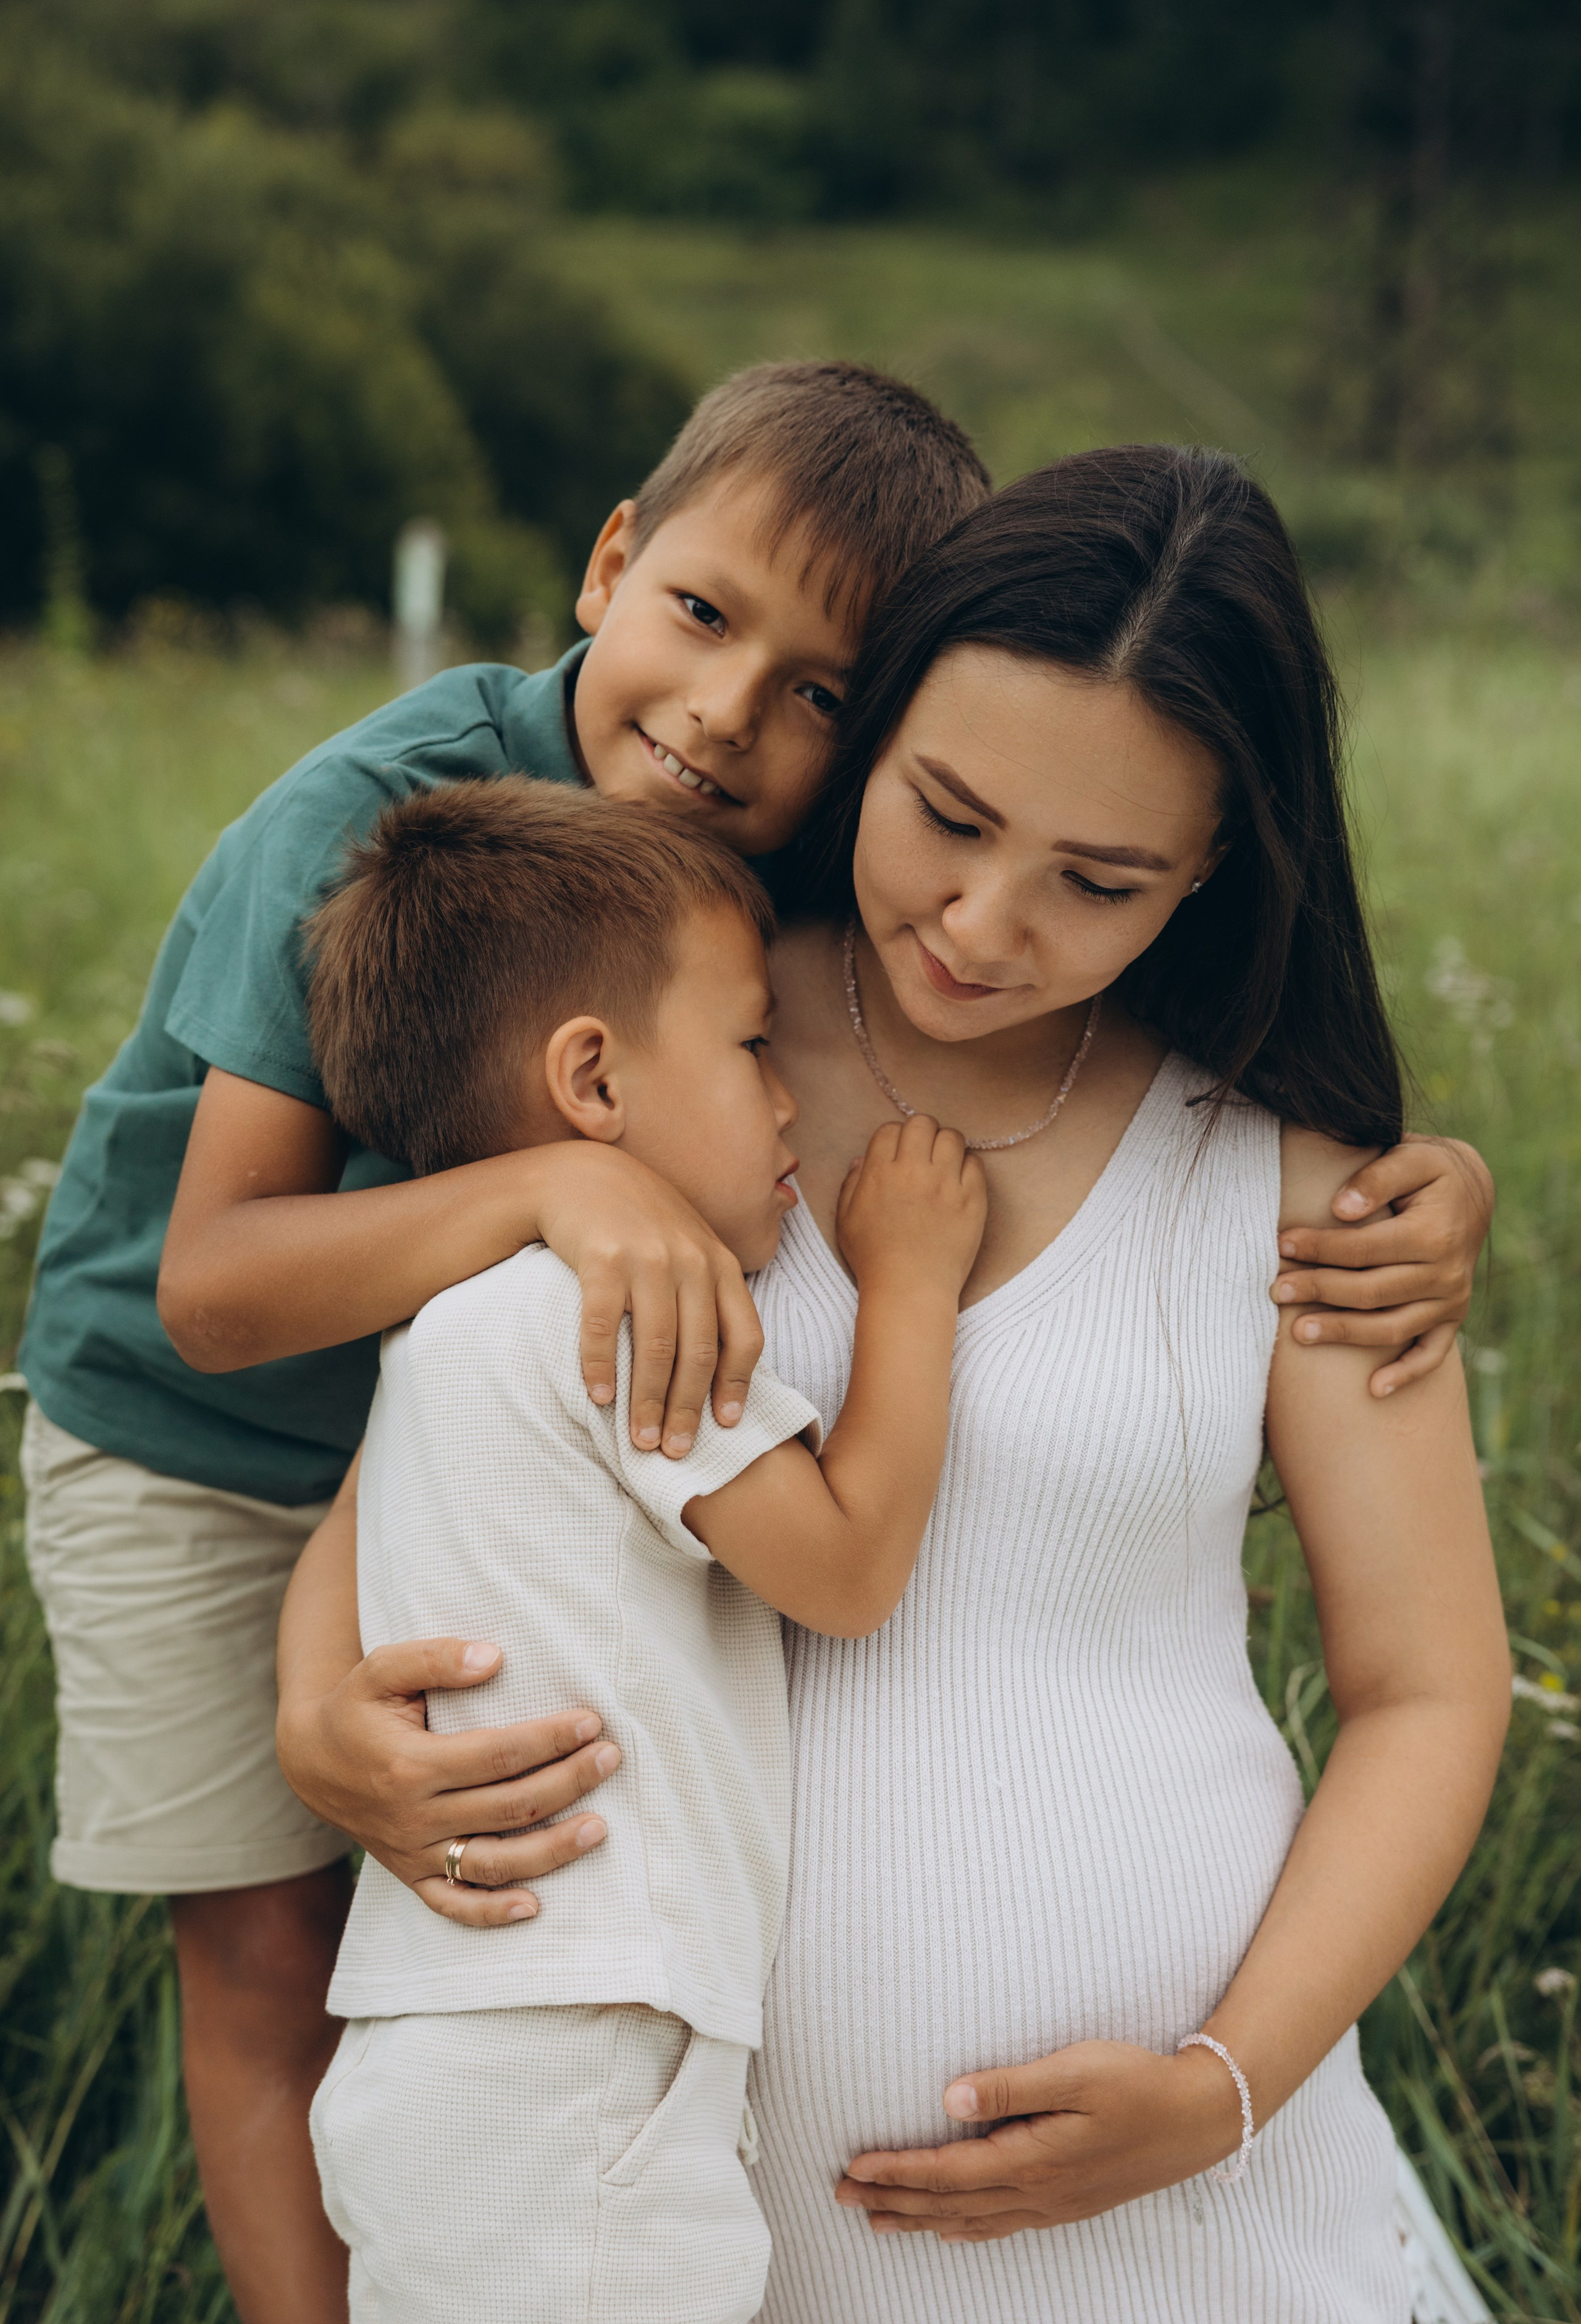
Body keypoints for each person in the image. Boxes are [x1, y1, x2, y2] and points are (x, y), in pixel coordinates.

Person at [280, 445, 1509, 2322]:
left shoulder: (1303, 1184)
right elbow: (429, 1447)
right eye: (945, 813)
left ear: (1210, 875)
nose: (984, 922)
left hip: (1207, 2215)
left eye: (1100, 882)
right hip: (686, 2224)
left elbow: (1429, 1686)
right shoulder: (664, 1057)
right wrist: (314, 1720)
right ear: (880, 727)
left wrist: (1221, 2088)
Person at [14, 360, 993, 2321]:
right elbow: (213, 1287)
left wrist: (1406, 1179)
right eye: (703, 615)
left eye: (819, 693)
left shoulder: (768, 856)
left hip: (475, 1422)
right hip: (192, 1432)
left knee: (482, 1903)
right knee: (276, 1951)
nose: (725, 716)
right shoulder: (378, 817)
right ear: (609, 562)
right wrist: (557, 1188)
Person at [299, 778, 984, 2322]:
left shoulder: (446, 1329)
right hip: (576, 2060)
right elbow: (851, 1567)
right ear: (592, 1084)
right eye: (751, 1048)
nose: (791, 1096)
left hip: (461, 2049)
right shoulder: (616, 1310)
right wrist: (915, 1285)